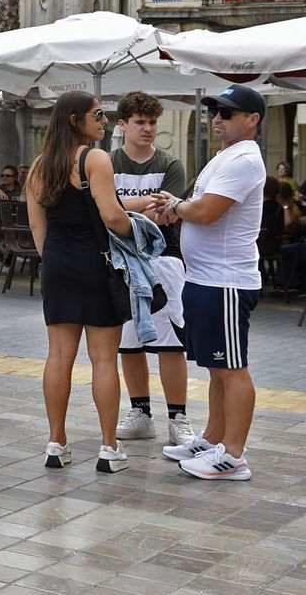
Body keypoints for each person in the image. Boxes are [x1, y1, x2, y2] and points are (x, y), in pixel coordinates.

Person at [154, 85, 269, 480]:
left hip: (226, 282)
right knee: (217, 367)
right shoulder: (226, 156)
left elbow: (204, 212)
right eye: (215, 111)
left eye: (227, 112)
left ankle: (233, 455)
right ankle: (213, 437)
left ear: (252, 120)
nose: (217, 117)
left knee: (232, 368)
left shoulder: (244, 159)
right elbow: (196, 207)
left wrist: (175, 207)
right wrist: (177, 207)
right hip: (205, 279)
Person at [27, 92, 132, 473]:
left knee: (58, 356)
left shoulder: (39, 165)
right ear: (75, 120)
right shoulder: (95, 158)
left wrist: (55, 258)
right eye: (99, 114)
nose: (105, 121)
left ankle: (56, 442)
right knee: (103, 358)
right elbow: (112, 217)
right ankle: (108, 447)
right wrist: (137, 229)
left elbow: (38, 226)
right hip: (96, 265)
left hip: (57, 264)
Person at [107, 91, 192, 447]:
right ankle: (140, 412)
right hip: (120, 259)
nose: (148, 128)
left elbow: (167, 212)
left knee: (171, 343)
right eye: (140, 122)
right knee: (128, 342)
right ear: (123, 124)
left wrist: (119, 205)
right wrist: (142, 205)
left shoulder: (171, 164)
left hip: (165, 259)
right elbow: (101, 210)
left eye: (152, 122)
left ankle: (179, 417)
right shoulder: (106, 162)